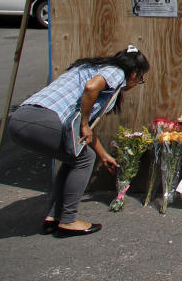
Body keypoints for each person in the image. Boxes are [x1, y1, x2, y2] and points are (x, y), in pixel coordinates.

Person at [8, 45, 149, 237]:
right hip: (42, 119)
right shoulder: (115, 72)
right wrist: (84, 123)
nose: (137, 83)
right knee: (84, 158)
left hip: (22, 118)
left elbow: (84, 133)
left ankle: (54, 218)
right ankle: (69, 220)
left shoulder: (90, 67)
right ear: (133, 73)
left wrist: (103, 154)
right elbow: (91, 89)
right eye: (140, 78)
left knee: (74, 156)